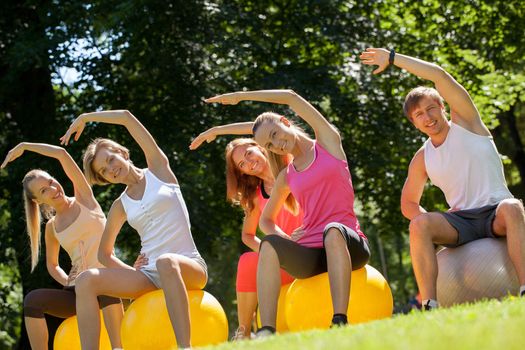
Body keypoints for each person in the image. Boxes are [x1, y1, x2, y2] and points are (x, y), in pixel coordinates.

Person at [360, 47, 525, 309]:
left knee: (514, 207)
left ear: (442, 107)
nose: (428, 118)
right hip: (462, 222)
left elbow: (439, 75)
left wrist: (392, 58)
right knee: (419, 225)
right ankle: (429, 303)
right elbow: (408, 204)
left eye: (431, 109)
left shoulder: (468, 123)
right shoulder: (422, 158)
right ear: (413, 123)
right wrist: (436, 222)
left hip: (497, 212)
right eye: (419, 115)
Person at [205, 89, 370, 335]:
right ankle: (266, 331)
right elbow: (266, 221)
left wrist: (240, 97)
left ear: (285, 121)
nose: (277, 144)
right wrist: (285, 237)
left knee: (333, 231)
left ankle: (339, 320)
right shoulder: (287, 175)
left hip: (349, 245)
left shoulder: (327, 142)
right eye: (270, 144)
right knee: (270, 244)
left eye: (275, 135)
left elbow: (290, 97)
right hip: (312, 255)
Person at [60, 110, 207, 349]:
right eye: (104, 171)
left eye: (110, 160)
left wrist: (86, 118)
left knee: (167, 261)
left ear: (122, 153)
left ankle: (184, 347)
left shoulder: (159, 170)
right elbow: (103, 255)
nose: (111, 169)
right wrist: (131, 270)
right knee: (86, 280)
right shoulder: (120, 206)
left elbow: (127, 118)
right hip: (148, 275)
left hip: (188, 265)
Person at [1, 143, 123, 350]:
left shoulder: (84, 198)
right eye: (43, 190)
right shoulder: (52, 227)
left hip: (109, 281)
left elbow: (61, 154)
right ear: (38, 201)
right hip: (80, 291)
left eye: (50, 182)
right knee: (32, 301)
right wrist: (69, 280)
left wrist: (25, 146)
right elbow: (52, 265)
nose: (52, 189)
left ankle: (118, 347)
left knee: (100, 283)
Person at [191, 135, 302, 339]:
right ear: (241, 172)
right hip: (289, 261)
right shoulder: (255, 195)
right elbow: (247, 235)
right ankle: (244, 332)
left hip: (315, 250)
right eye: (242, 164)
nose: (249, 163)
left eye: (249, 153)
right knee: (247, 261)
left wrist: (218, 130)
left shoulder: (292, 165)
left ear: (259, 146)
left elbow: (271, 128)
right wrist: (271, 253)